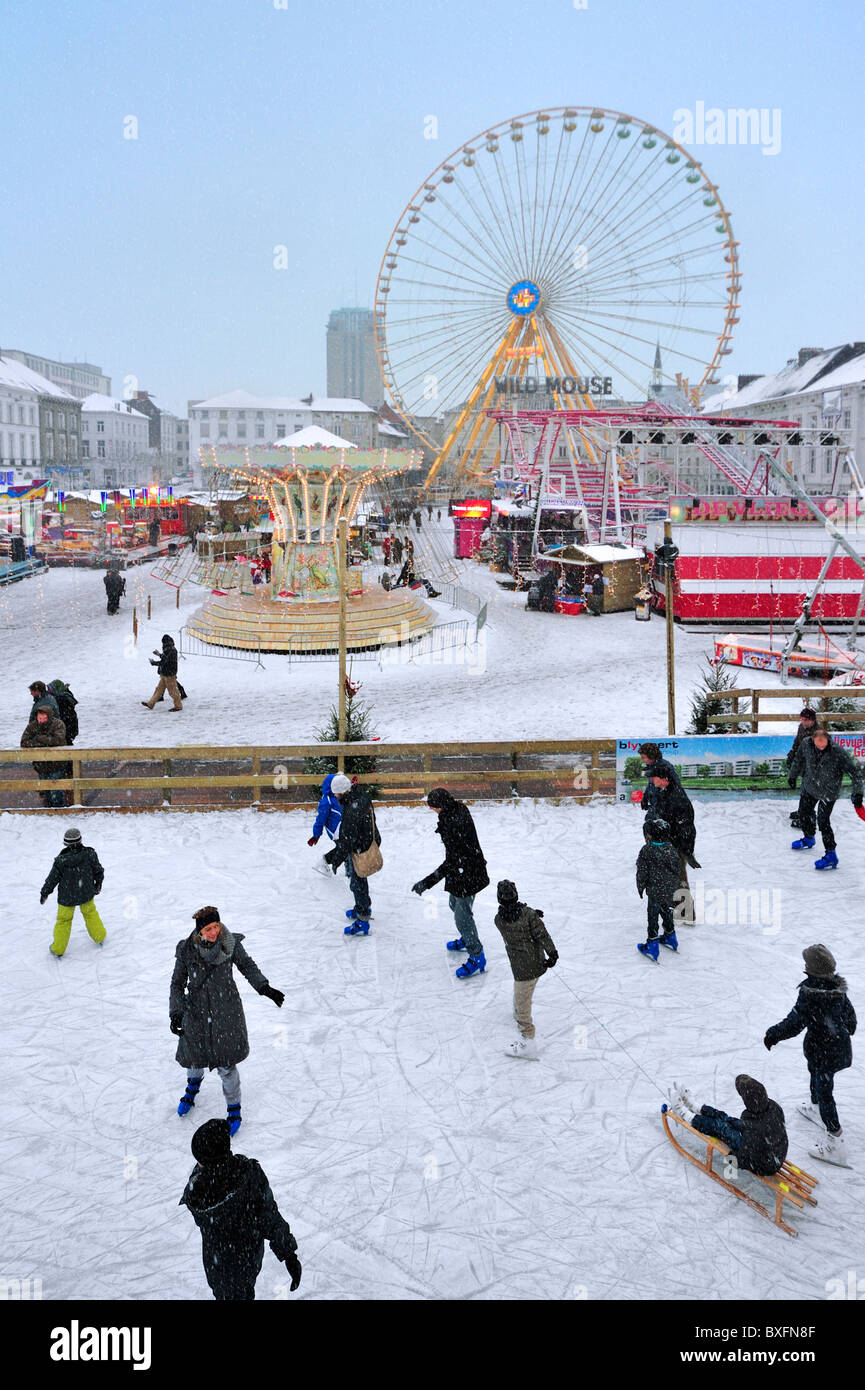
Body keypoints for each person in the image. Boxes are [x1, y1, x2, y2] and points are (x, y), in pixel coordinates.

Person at [171, 907, 285, 1134]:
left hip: (226, 1013)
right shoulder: (187, 950)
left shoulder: (230, 944)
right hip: (196, 1013)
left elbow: (247, 966)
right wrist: (176, 1011)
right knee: (194, 1057)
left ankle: (234, 1108)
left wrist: (264, 987)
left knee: (227, 1064)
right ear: (199, 931)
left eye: (216, 926)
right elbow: (177, 983)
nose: (213, 932)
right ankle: (193, 1086)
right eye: (208, 928)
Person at [180, 1118, 301, 1301]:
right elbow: (268, 1215)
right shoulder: (249, 1175)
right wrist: (288, 1253)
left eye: (200, 1160)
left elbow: (266, 1214)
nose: (197, 1164)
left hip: (218, 1267)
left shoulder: (197, 1190)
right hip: (245, 1262)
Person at [764, 944, 856, 1167]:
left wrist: (773, 1034)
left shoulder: (811, 994)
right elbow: (850, 1017)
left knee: (825, 1091)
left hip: (824, 1051)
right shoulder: (836, 988)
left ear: (814, 968)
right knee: (815, 1074)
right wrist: (844, 1031)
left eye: (807, 962)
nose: (804, 964)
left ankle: (836, 1140)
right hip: (835, 1048)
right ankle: (815, 1105)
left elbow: (794, 1023)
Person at [412, 788, 489, 978]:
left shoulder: (453, 822)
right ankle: (466, 937)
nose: (432, 810)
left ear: (441, 806)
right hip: (462, 871)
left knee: (462, 916)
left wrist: (427, 882)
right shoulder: (455, 810)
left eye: (433, 807)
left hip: (468, 874)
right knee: (453, 904)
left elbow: (452, 860)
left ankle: (477, 955)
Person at [667, 1076, 788, 1177]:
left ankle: (686, 1115)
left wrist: (732, 1158)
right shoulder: (773, 1107)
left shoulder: (754, 1129)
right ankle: (696, 1107)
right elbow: (755, 1129)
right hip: (769, 1149)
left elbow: (744, 1158)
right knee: (726, 1118)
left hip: (765, 1164)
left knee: (720, 1127)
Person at [493, 880, 558, 1059]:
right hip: (537, 963)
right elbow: (541, 934)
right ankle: (517, 1014)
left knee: (523, 1002)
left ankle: (528, 1040)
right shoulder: (528, 915)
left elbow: (513, 920)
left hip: (522, 969)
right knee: (521, 995)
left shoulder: (498, 920)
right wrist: (552, 953)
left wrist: (531, 916)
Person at [787, 725, 863, 870]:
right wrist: (792, 775)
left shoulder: (837, 752)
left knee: (823, 822)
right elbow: (798, 760)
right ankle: (808, 838)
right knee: (804, 813)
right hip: (810, 786)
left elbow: (855, 773)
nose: (821, 746)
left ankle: (831, 855)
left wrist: (858, 793)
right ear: (812, 740)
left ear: (828, 740)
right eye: (818, 743)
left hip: (828, 792)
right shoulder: (806, 744)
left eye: (823, 743)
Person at [323, 774, 381, 934]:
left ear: (342, 791)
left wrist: (336, 861)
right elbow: (371, 819)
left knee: (357, 883)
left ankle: (363, 919)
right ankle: (362, 907)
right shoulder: (361, 796)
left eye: (336, 793)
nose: (334, 796)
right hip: (366, 842)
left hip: (359, 848)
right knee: (360, 880)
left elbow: (347, 840)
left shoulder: (351, 810)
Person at [40, 827, 106, 956]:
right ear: (80, 840)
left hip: (66, 897)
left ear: (66, 843)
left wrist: (45, 892)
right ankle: (100, 937)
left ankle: (58, 949)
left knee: (64, 921)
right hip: (86, 892)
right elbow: (98, 871)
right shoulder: (89, 854)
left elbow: (52, 879)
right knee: (90, 913)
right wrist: (98, 884)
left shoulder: (61, 860)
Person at [648, 762, 700, 925]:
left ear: (664, 779)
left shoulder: (676, 797)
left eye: (654, 777)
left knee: (678, 877)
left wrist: (686, 851)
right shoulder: (663, 792)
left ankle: (687, 914)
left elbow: (686, 826)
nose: (651, 780)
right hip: (666, 842)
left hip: (676, 844)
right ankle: (675, 904)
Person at [635, 817, 681, 960]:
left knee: (653, 914)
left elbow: (641, 871)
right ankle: (670, 935)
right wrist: (672, 883)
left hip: (654, 889)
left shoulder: (647, 850)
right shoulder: (671, 848)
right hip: (669, 888)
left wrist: (641, 886)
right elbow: (677, 867)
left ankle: (652, 943)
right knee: (666, 910)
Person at [21, 702, 70, 807]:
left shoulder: (58, 724)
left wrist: (38, 738)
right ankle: (48, 811)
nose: (41, 721)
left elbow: (57, 740)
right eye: (40, 718)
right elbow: (24, 742)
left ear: (49, 717)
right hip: (41, 765)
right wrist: (43, 742)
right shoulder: (32, 726)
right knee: (46, 791)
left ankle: (60, 810)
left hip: (57, 763)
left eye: (44, 718)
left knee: (56, 792)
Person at [308, 772, 349, 877]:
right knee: (345, 849)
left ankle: (349, 872)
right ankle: (324, 861)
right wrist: (316, 835)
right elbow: (320, 820)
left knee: (346, 849)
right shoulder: (326, 802)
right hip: (336, 831)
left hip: (344, 828)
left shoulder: (339, 796)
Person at [638, 743, 681, 818]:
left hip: (665, 807)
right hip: (655, 805)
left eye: (643, 757)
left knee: (657, 826)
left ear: (651, 756)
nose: (642, 760)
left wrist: (664, 804)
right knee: (649, 824)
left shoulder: (663, 767)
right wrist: (645, 798)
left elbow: (675, 785)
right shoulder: (651, 766)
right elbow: (651, 785)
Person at [142, 634, 183, 711]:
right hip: (165, 673)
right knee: (158, 690)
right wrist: (159, 654)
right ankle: (151, 704)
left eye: (163, 643)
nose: (163, 644)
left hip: (170, 674)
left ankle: (178, 706)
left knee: (173, 691)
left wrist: (154, 663)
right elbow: (165, 657)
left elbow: (164, 661)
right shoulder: (169, 649)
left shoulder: (171, 650)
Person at [47, 679, 79, 745]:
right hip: (69, 731)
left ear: (56, 689)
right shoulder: (66, 696)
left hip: (65, 732)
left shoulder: (60, 700)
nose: (49, 692)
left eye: (50, 690)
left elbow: (62, 718)